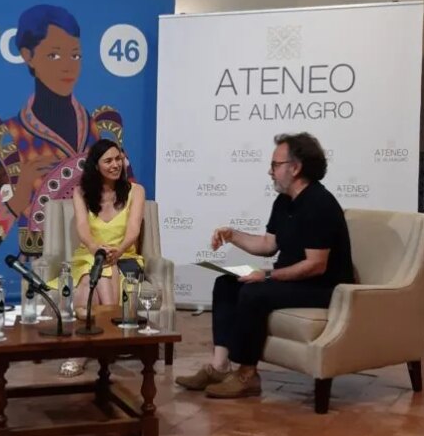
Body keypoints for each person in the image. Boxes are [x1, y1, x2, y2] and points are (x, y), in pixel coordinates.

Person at [176, 132, 355, 398]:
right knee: (226, 284)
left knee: (254, 293)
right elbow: (268, 245)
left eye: (275, 165)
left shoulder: (320, 203)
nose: (270, 172)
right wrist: (232, 235)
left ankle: (247, 375)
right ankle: (219, 366)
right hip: (297, 280)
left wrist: (269, 276)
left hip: (323, 287)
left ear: (295, 168)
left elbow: (316, 265)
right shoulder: (284, 202)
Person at [0, 4, 126, 263]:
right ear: (28, 55)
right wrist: (18, 196)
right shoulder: (4, 138)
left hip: (100, 253)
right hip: (41, 261)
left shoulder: (102, 130)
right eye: (54, 55)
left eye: (75, 56)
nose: (68, 66)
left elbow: (128, 203)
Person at [58, 138, 145, 377]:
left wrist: (118, 250)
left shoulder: (135, 191)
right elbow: (83, 229)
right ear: (96, 166)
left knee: (98, 275)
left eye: (118, 159)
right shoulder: (81, 193)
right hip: (90, 254)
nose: (116, 164)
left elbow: (134, 229)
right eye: (108, 160)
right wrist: (97, 248)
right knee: (90, 277)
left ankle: (83, 350)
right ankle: (104, 343)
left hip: (124, 255)